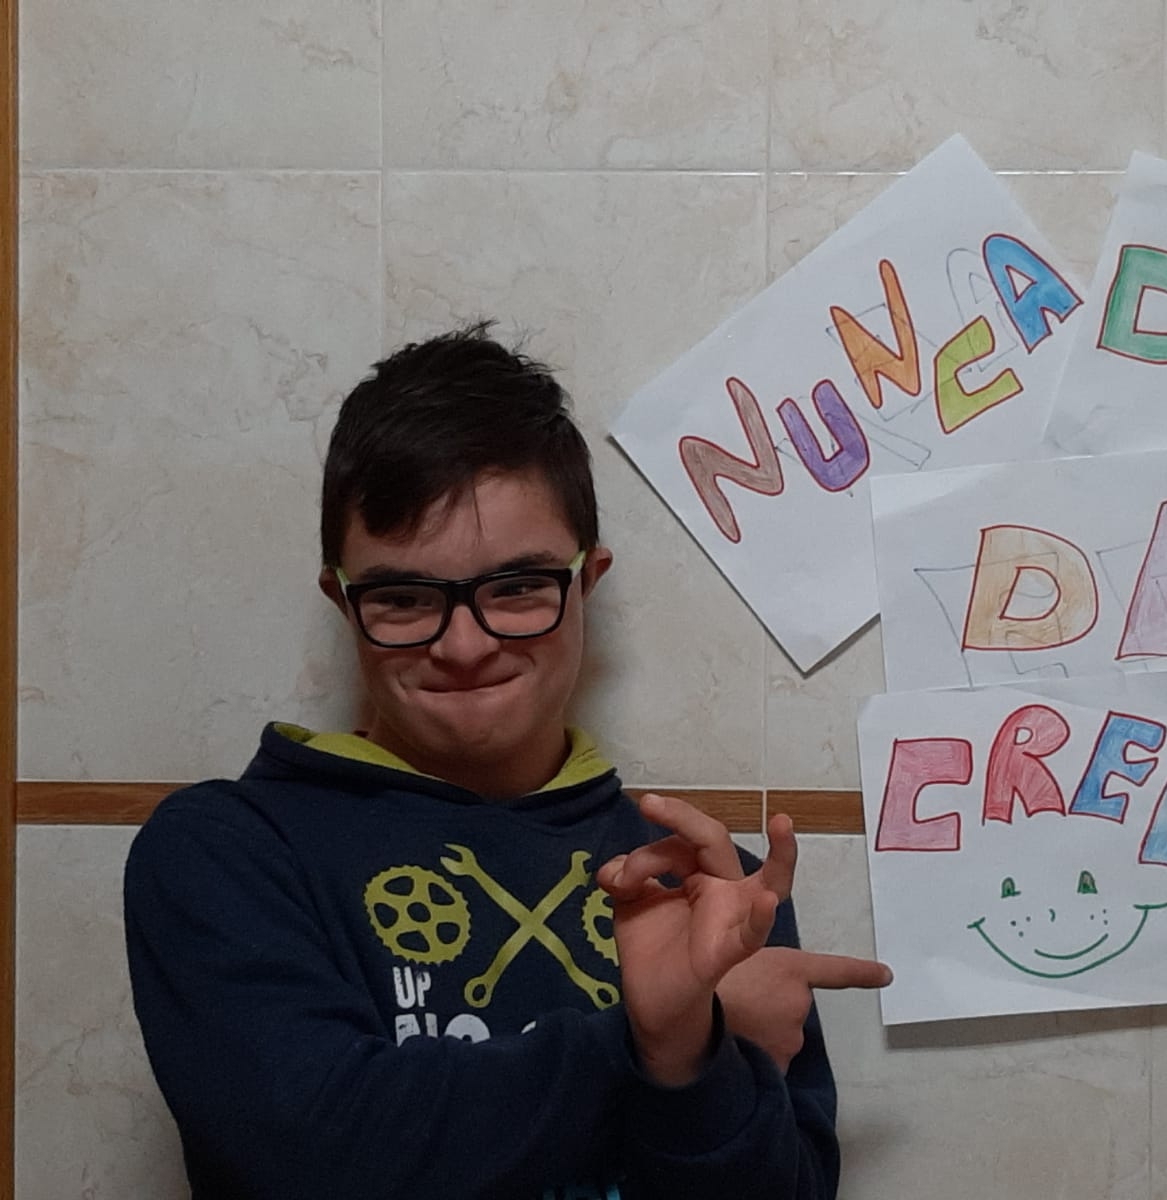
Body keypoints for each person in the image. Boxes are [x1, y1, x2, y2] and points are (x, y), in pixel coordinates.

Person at [123, 321, 892, 1199]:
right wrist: (657, 1042)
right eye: (403, 597)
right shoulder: (227, 852)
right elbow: (311, 1151)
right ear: (342, 600)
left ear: (587, 582)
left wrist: (696, 1072)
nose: (464, 646)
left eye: (518, 587)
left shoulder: (712, 890)